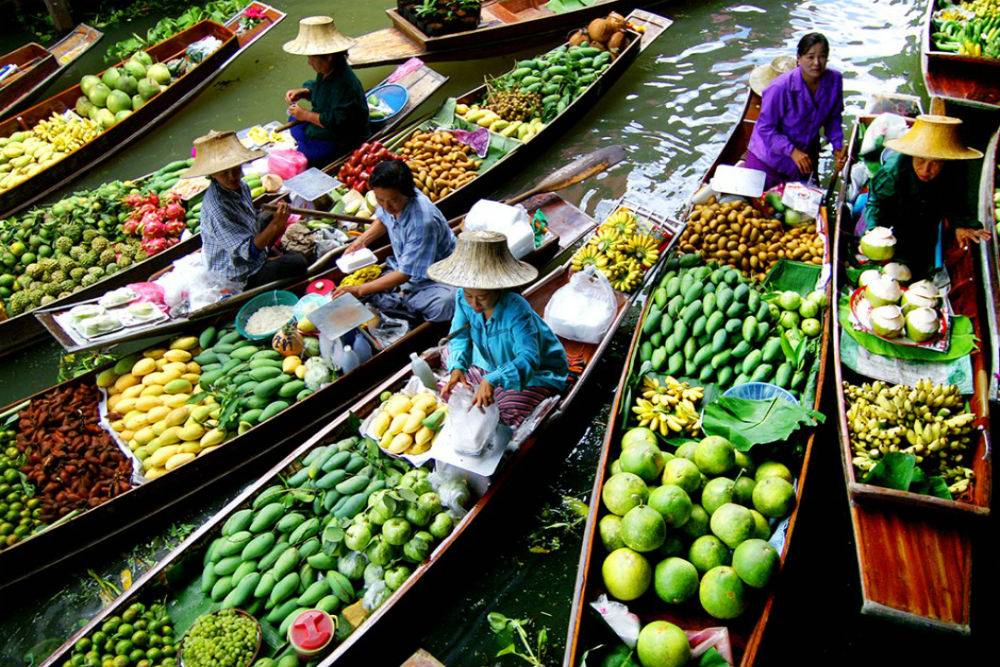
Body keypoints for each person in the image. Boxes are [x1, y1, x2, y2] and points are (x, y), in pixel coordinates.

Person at [431, 230, 568, 428]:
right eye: (470, 296)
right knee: (449, 356)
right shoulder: (462, 298)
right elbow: (460, 338)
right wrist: (457, 368)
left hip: (537, 371)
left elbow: (529, 358)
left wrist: (493, 379)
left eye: (483, 297)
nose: (475, 304)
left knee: (505, 410)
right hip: (492, 362)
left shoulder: (516, 309)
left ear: (497, 288)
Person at [863, 114, 988, 273]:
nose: (926, 170)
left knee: (919, 261)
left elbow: (955, 198)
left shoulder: (955, 170)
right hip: (894, 216)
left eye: (935, 162)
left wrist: (960, 224)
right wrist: (873, 231)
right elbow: (876, 203)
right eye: (920, 160)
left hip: (927, 219)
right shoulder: (892, 173)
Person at [184, 130, 307, 289]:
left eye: (235, 169)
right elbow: (248, 252)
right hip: (237, 271)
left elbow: (252, 217)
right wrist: (276, 225)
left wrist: (275, 220)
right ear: (213, 175)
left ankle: (269, 251)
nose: (232, 176)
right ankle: (266, 262)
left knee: (271, 215)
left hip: (246, 242)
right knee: (298, 262)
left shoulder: (241, 186)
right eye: (224, 173)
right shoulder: (218, 209)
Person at [337, 159, 457, 322]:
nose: (386, 206)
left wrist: (359, 290)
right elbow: (384, 218)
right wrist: (361, 241)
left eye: (392, 200)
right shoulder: (391, 199)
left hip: (436, 275)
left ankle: (404, 301)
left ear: (407, 192)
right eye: (380, 200)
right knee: (378, 282)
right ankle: (400, 295)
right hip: (402, 265)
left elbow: (405, 274)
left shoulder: (422, 223)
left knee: (445, 304)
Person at [745, 33, 845, 189]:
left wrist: (837, 146)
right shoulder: (779, 87)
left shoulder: (834, 80)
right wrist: (792, 151)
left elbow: (833, 118)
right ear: (798, 58)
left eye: (822, 57)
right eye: (810, 57)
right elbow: (765, 128)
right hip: (769, 160)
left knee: (805, 205)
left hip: (804, 159)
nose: (816, 63)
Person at [283, 16, 370, 167]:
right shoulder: (328, 71)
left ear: (328, 57)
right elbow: (319, 89)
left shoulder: (345, 84)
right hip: (326, 123)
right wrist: (303, 92)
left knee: (307, 155)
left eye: (312, 58)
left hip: (344, 135)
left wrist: (306, 115)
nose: (309, 62)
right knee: (293, 121)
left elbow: (337, 122)